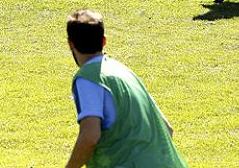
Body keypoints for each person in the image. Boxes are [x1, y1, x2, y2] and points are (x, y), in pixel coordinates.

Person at [65, 9, 188, 168]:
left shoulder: (88, 79)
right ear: (104, 41)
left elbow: (89, 136)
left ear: (70, 44)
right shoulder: (125, 73)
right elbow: (167, 129)